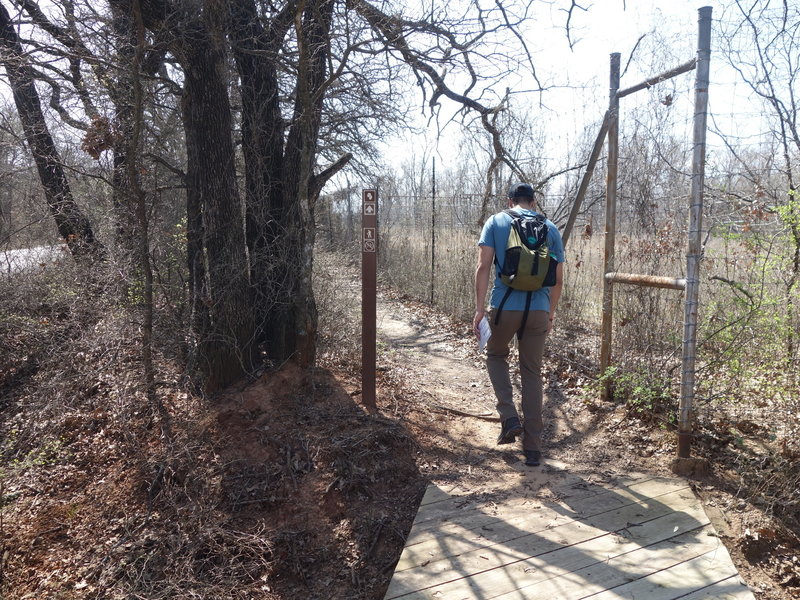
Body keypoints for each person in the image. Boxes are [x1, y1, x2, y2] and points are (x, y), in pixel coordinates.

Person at [473, 182, 565, 467]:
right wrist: (549, 313)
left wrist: (479, 310)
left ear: (510, 200)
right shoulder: (550, 228)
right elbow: (559, 280)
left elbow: (484, 266)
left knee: (496, 355)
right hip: (538, 309)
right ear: (533, 202)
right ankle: (534, 449)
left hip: (504, 306)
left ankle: (509, 416)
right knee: (532, 373)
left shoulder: (497, 221)